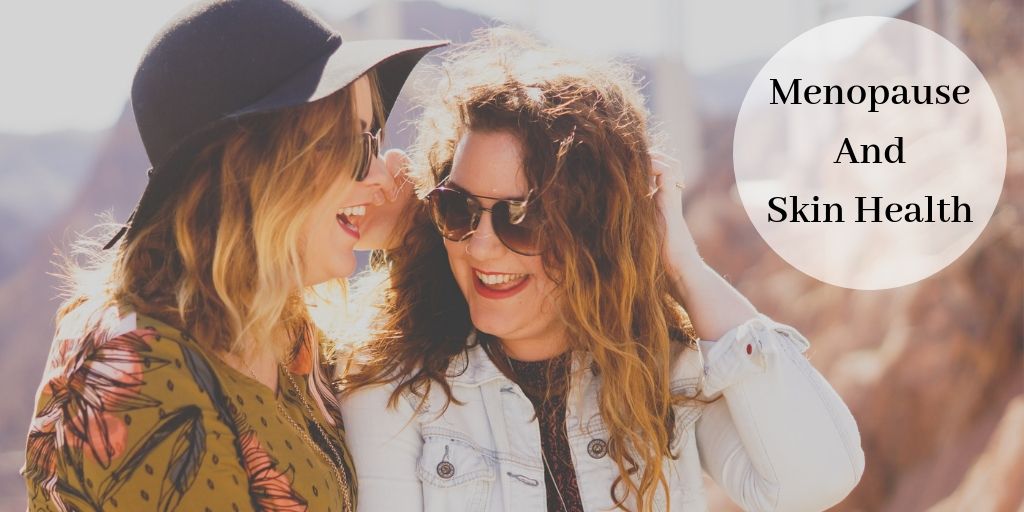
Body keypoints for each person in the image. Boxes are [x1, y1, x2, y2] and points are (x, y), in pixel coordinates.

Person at [339, 29, 865, 512]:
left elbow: (812, 481)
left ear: (592, 229)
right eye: (458, 208)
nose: (481, 247)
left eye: (521, 217)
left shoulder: (661, 371)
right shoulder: (395, 389)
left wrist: (683, 264)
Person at [20, 1, 444, 510]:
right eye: (355, 146)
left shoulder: (286, 331)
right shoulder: (138, 370)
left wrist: (421, 235)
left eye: (375, 139)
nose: (381, 178)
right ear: (254, 166)